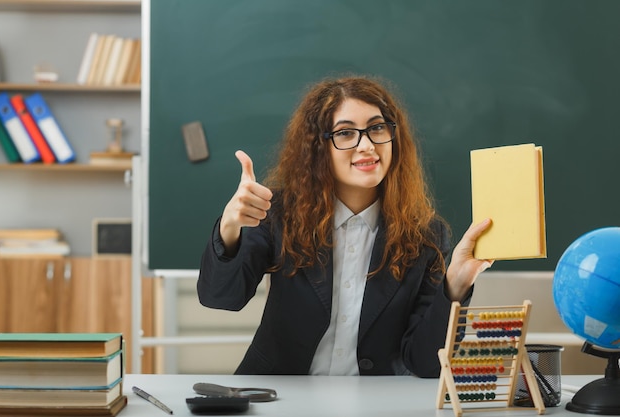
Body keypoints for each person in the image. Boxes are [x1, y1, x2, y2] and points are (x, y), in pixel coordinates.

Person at [197, 75, 493, 377]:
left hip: (374, 404)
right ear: (318, 147)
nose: (366, 145)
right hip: (281, 395)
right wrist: (230, 225)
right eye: (345, 133)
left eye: (377, 128)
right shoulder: (280, 214)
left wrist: (455, 285)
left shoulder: (426, 235)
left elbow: (427, 364)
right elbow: (221, 298)